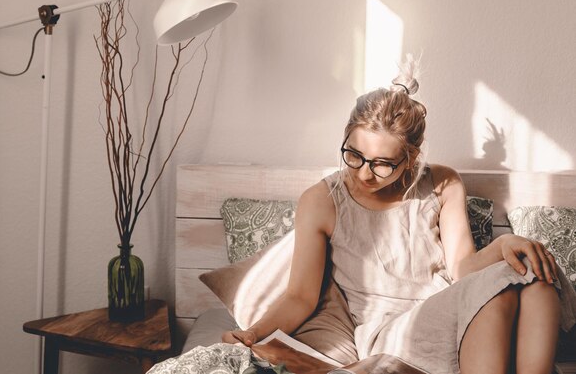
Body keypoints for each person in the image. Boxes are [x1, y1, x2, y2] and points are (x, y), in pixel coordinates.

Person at [222, 55, 574, 374]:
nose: (364, 172)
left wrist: (505, 244)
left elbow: (462, 269)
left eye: (382, 164)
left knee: (533, 274)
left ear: (411, 157)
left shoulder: (442, 183)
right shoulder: (322, 200)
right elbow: (301, 296)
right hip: (391, 332)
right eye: (354, 155)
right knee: (498, 291)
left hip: (450, 309)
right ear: (345, 137)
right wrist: (253, 333)